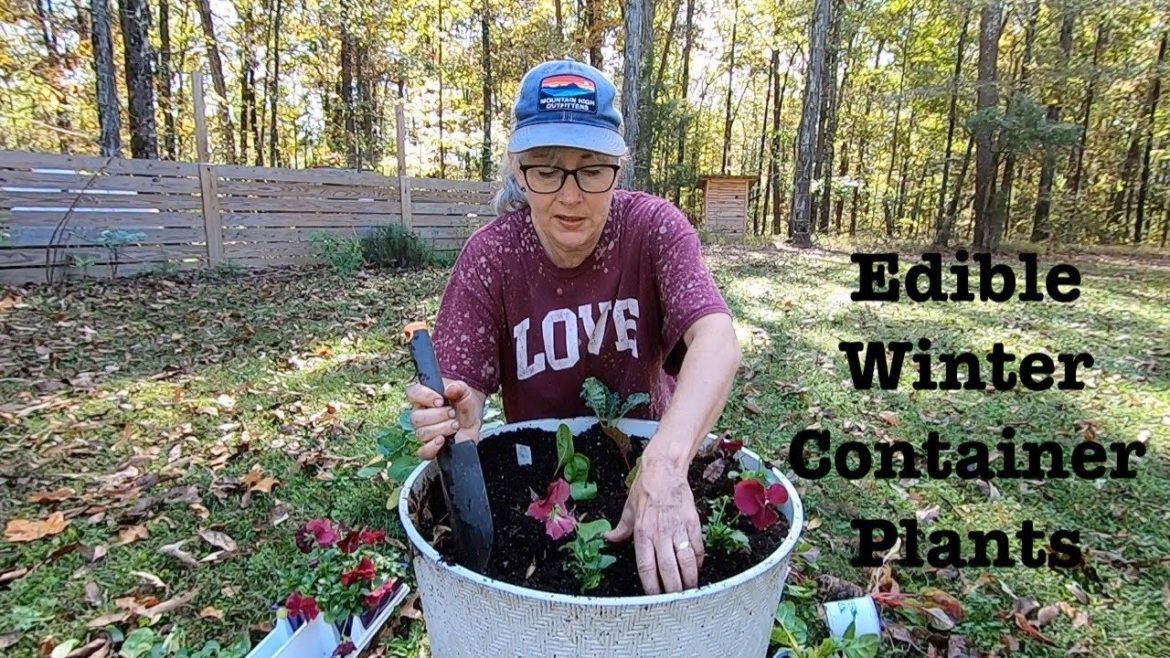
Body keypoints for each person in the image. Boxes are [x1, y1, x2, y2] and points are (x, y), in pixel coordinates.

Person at [405, 58, 742, 595]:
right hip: (542, 481)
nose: (569, 195)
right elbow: (454, 392)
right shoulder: (492, 257)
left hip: (649, 460)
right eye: (546, 168)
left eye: (591, 168)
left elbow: (718, 339)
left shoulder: (652, 229)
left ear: (619, 166)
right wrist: (453, 408)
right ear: (518, 170)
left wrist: (668, 461)